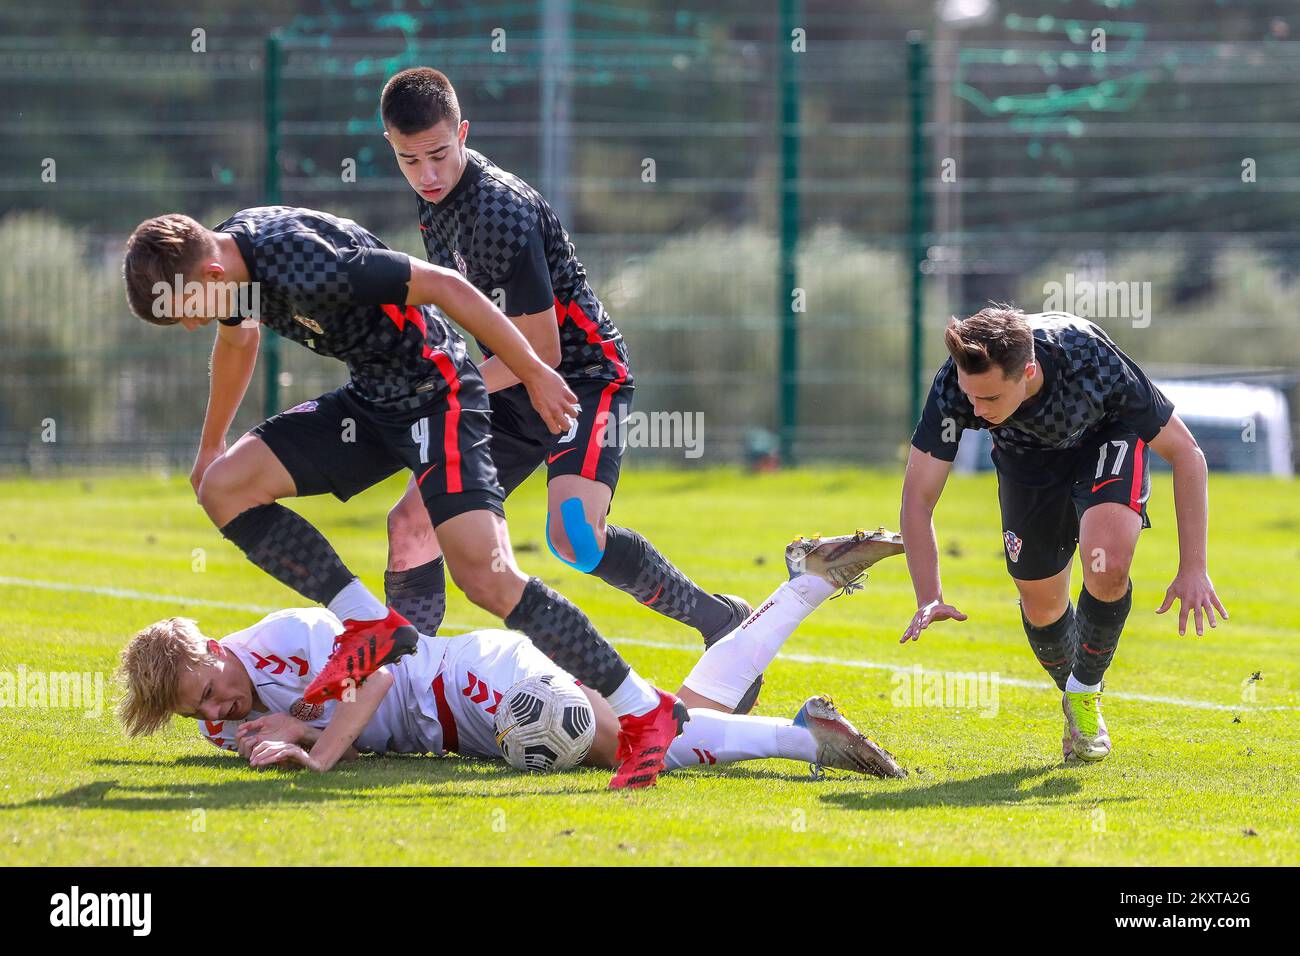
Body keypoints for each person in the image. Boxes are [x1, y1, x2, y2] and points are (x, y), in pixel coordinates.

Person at [122, 206, 682, 788]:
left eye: (185, 314)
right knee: (223, 487)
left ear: (209, 276)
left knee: (488, 580)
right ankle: (368, 623)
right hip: (373, 401)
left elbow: (446, 286)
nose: (190, 326)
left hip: (439, 396)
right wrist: (210, 446)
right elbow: (240, 339)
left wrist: (534, 371)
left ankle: (644, 709)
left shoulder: (305, 263)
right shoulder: (233, 264)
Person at [375, 67, 760, 713]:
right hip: (509, 382)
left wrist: (446, 389)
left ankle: (720, 621)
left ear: (463, 133)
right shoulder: (431, 198)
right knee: (411, 522)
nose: (427, 173)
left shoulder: (499, 209)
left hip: (580, 378)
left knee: (575, 537)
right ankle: (403, 690)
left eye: (440, 154)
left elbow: (544, 353)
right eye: (409, 159)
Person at [117, 530, 910, 780]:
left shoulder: (283, 637)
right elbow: (280, 729)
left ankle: (809, 738)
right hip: (461, 724)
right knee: (667, 722)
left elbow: (382, 668)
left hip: (474, 678)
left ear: (218, 649)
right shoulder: (223, 728)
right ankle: (807, 589)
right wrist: (280, 734)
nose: (218, 712)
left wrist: (313, 749)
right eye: (199, 712)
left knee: (642, 742)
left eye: (212, 688)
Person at [899, 306, 1228, 761]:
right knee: (1042, 604)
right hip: (1026, 462)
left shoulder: (1089, 359)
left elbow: (1188, 454)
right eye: (971, 398)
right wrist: (928, 594)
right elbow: (918, 498)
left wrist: (1194, 566)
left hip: (1105, 438)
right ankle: (1078, 696)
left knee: (1106, 563)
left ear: (1028, 371)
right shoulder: (956, 388)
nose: (975, 409)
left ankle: (1085, 692)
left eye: (990, 399)